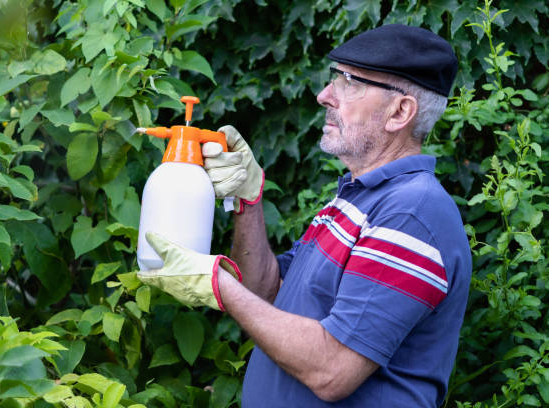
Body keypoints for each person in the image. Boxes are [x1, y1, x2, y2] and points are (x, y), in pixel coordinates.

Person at [138, 24, 472, 407]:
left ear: (399, 112)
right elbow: (270, 293)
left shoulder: (411, 214)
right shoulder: (356, 198)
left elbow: (332, 370)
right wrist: (248, 199)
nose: (324, 95)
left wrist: (219, 284)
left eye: (348, 82)